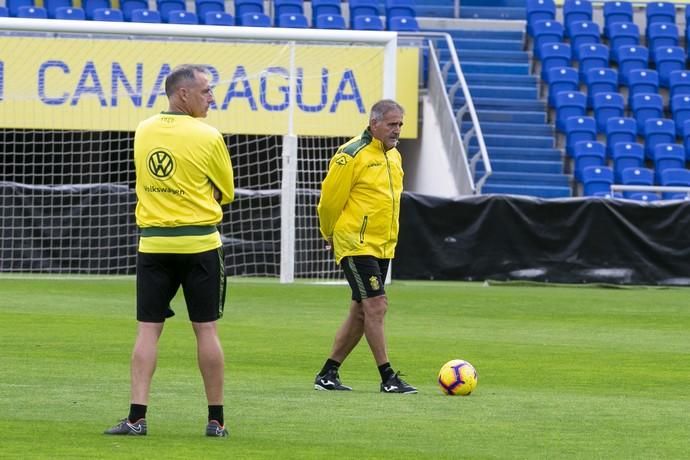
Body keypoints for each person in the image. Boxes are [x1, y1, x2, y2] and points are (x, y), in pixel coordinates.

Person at [104, 65, 235, 437]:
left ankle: (136, 418)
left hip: (154, 243)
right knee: (206, 329)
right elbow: (226, 190)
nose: (212, 97)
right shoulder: (209, 136)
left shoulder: (143, 130)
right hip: (199, 243)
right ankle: (216, 420)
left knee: (148, 330)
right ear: (183, 95)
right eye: (207, 91)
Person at [314, 99, 417, 394]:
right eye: (391, 124)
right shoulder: (350, 155)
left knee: (361, 311)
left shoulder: (394, 157)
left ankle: (328, 373)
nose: (396, 130)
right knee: (376, 305)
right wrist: (329, 234)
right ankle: (388, 377)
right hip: (355, 242)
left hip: (382, 245)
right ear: (374, 124)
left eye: (400, 124)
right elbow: (329, 201)